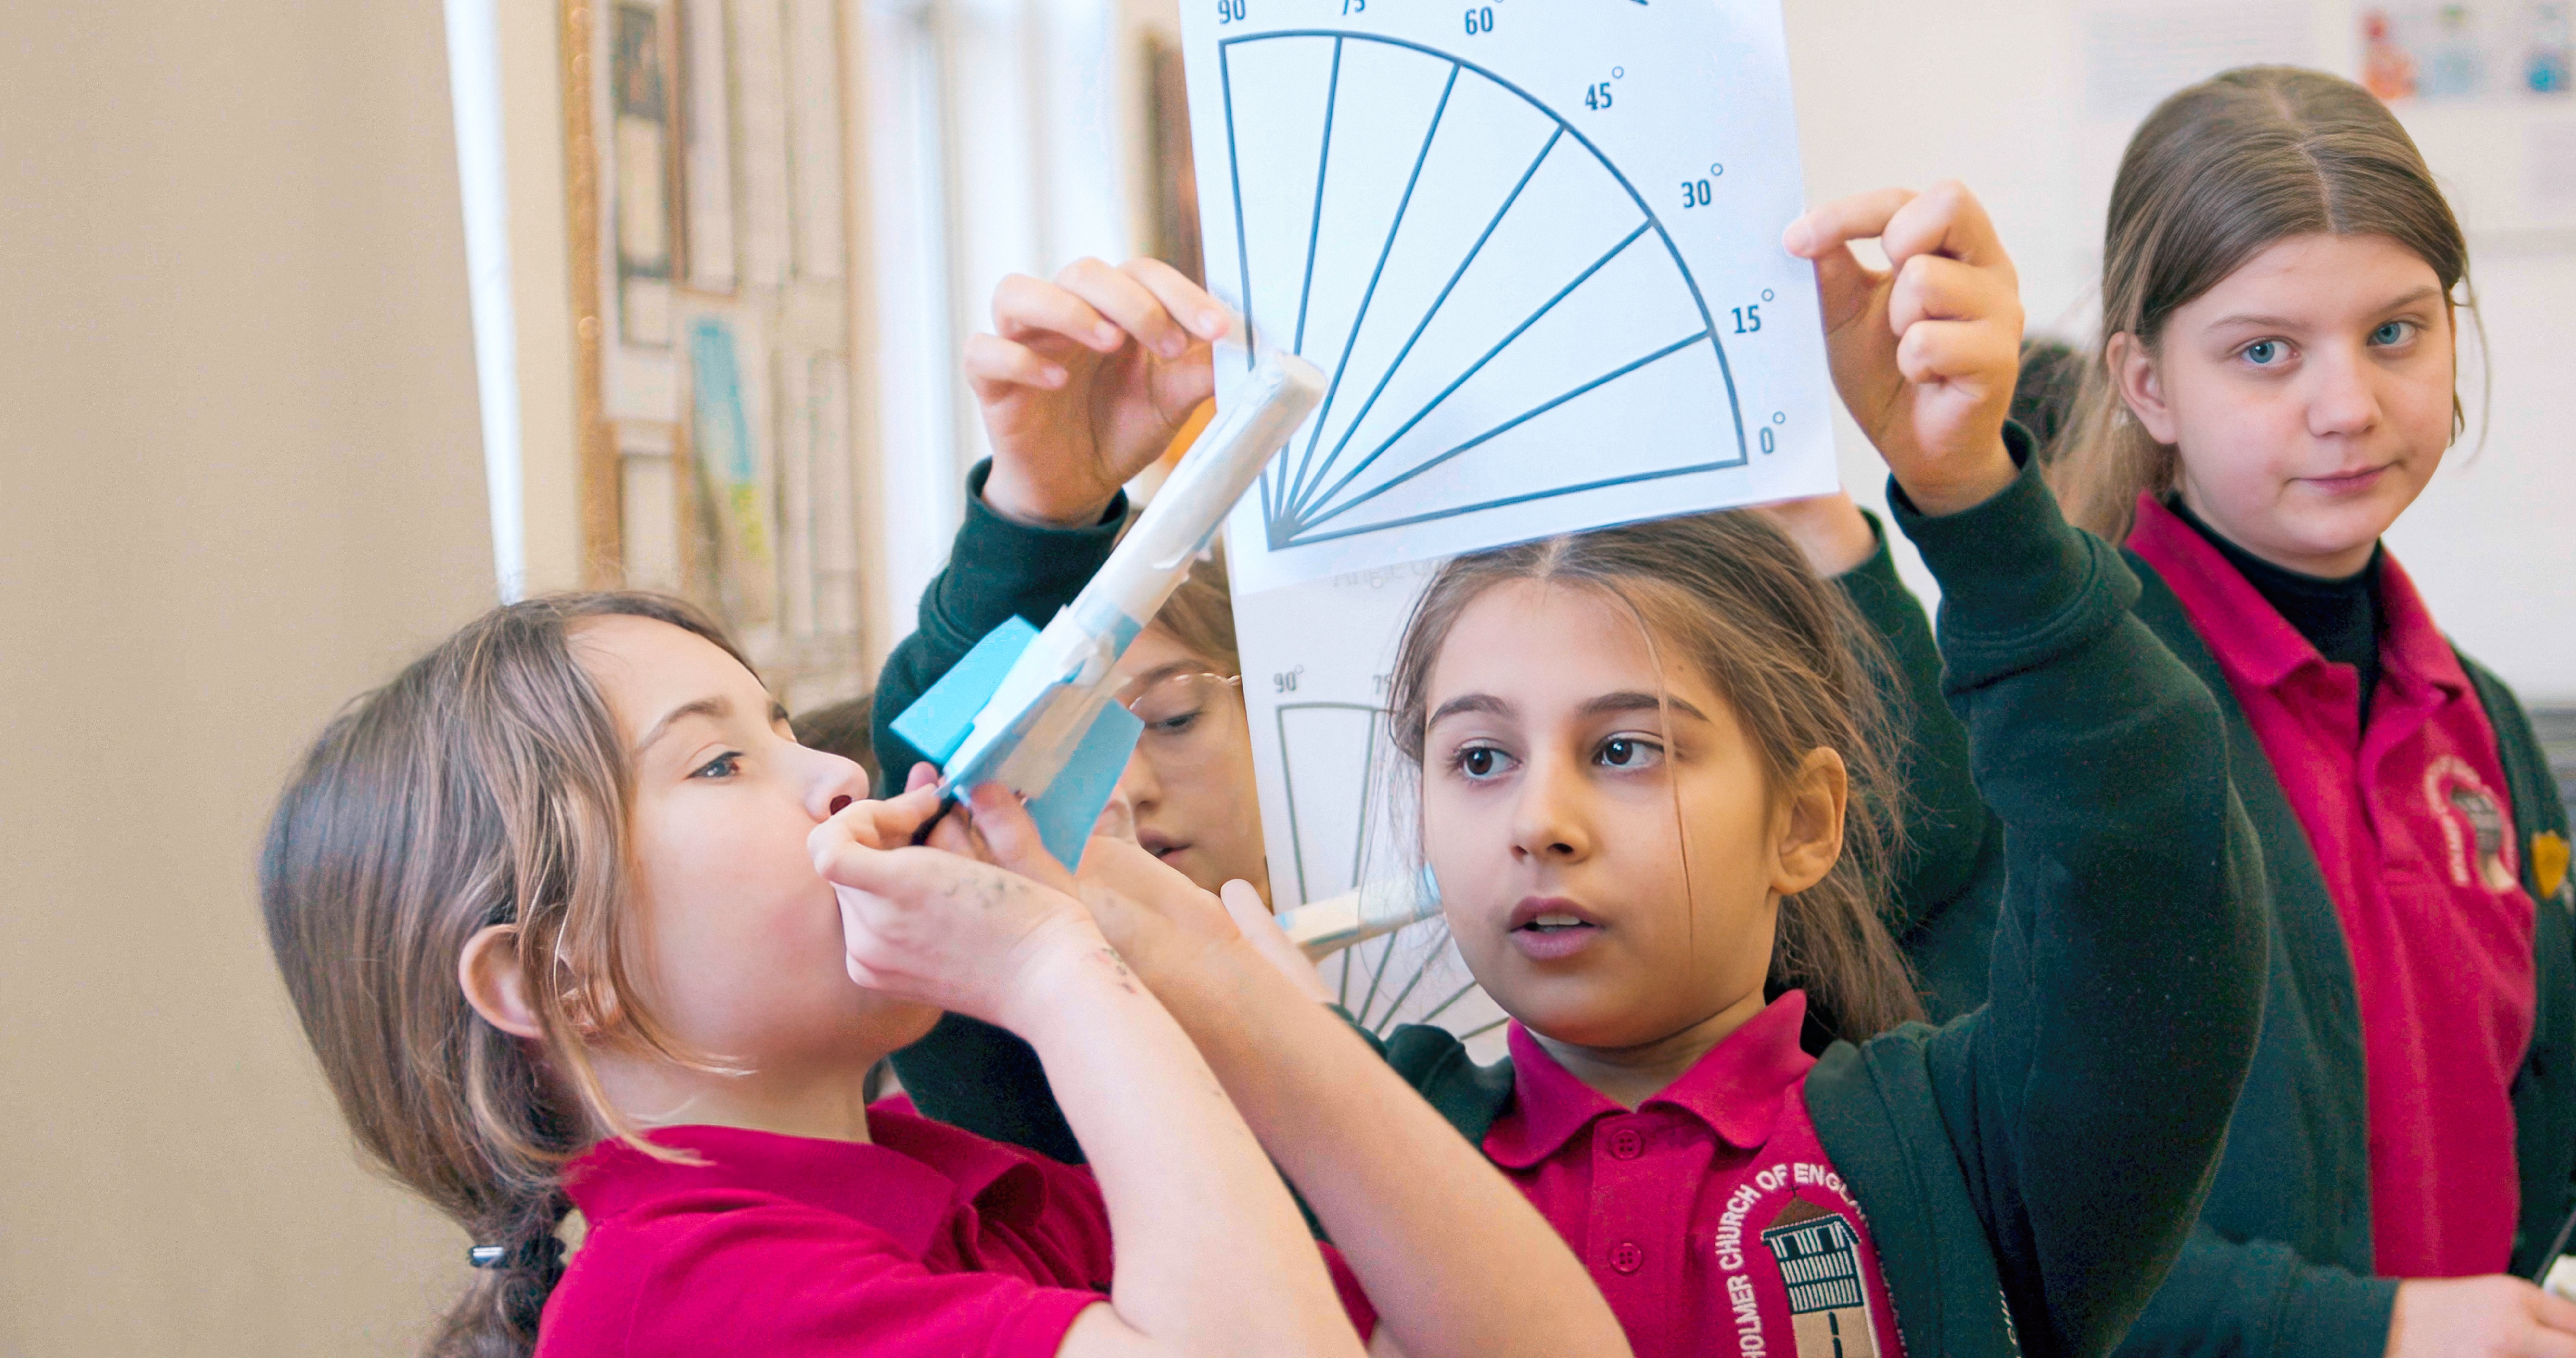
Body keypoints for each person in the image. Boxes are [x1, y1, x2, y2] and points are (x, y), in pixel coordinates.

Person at [899, 182, 2272, 1357]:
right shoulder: (1312, 1147)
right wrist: (1038, 519)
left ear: (1803, 820)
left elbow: (2149, 856)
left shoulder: (1960, 1152)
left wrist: (1975, 500)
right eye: (1478, 757)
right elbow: (937, 905)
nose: (1539, 823)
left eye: (1625, 750)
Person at [257, 592, 1630, 1357]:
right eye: (721, 762)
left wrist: (1201, 972)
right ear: (558, 975)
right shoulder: (680, 1295)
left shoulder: (971, 1193)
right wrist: (1061, 977)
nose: (835, 773)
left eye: (785, 725)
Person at [2035, 66, 2576, 1358]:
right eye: (2265, 352)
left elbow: (2538, 1119)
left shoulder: (2483, 724)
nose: (2349, 408)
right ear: (2147, 384)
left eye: (2394, 332)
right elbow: (2014, 1234)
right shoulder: (2068, 725)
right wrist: (2368, 1328)